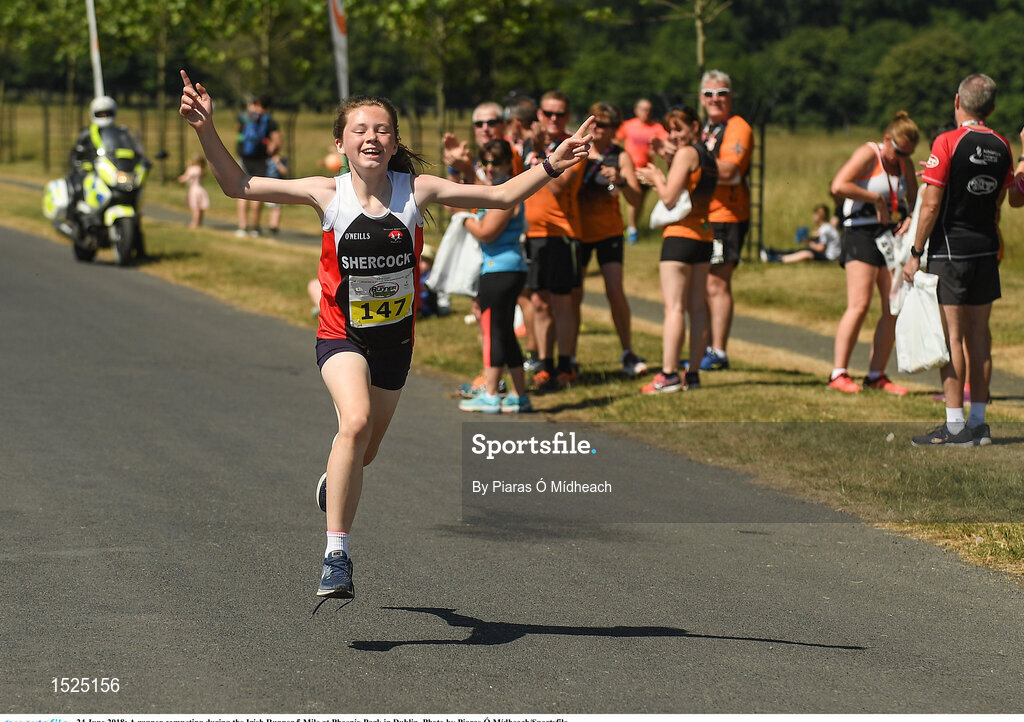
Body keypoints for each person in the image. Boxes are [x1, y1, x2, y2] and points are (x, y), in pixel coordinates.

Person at [178, 70, 593, 599]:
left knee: (364, 450)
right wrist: (206, 128)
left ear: (394, 141)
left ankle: (337, 479)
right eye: (359, 129)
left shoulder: (417, 190)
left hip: (395, 345)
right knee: (353, 421)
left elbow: (503, 196)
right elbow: (238, 185)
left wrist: (553, 162)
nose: (371, 137)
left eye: (382, 129)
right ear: (340, 142)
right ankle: (336, 556)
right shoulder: (325, 192)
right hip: (341, 336)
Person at [904, 74, 1015, 446]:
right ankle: (979, 424)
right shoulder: (1002, 144)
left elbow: (932, 203)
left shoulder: (947, 141)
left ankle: (954, 427)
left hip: (949, 251)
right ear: (992, 109)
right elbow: (996, 199)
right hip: (986, 248)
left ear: (957, 102)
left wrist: (915, 253)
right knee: (980, 336)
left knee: (952, 337)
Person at [829, 111, 919, 396]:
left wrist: (909, 218)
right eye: (899, 151)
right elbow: (838, 186)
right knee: (859, 303)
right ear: (887, 139)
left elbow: (914, 197)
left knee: (894, 306)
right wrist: (875, 198)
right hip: (860, 233)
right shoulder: (870, 154)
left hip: (889, 237)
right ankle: (838, 373)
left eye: (908, 153)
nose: (901, 157)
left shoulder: (903, 162)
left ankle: (876, 374)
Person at [635, 106, 718, 393]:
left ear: (695, 126)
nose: (674, 135)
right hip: (704, 235)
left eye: (679, 129)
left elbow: (670, 197)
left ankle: (669, 374)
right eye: (670, 130)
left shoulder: (686, 154)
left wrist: (656, 178)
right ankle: (692, 374)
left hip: (680, 236)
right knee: (697, 309)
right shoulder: (707, 154)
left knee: (673, 307)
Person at [458, 140, 533, 414]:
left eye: (496, 163)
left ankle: (490, 394)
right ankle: (520, 395)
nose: (490, 169)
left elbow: (487, 232)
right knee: (505, 333)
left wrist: (463, 217)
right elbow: (478, 187)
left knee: (492, 332)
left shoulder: (508, 194)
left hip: (502, 268)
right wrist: (463, 168)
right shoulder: (500, 189)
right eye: (485, 163)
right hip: (502, 268)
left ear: (508, 164)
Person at [575, 102, 648, 377]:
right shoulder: (576, 149)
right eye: (593, 121)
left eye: (603, 124)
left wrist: (621, 181)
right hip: (578, 231)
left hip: (609, 232)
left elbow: (636, 199)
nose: (596, 127)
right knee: (573, 295)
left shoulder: (620, 156)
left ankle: (628, 351)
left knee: (615, 291)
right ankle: (568, 355)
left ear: (614, 129)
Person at [523, 90, 585, 391]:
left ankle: (567, 363)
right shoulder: (527, 144)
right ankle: (544, 364)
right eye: (547, 113)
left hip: (562, 233)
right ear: (539, 115)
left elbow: (561, 187)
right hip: (532, 232)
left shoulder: (574, 144)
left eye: (559, 114)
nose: (553, 119)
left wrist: (545, 157)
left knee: (563, 302)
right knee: (539, 302)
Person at [699, 70, 754, 372]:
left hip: (728, 215)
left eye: (721, 93)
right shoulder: (706, 129)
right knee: (702, 285)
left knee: (716, 283)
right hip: (704, 215)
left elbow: (731, 171)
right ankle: (703, 347)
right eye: (709, 94)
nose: (715, 99)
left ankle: (718, 351)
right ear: (701, 99)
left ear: (731, 97)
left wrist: (692, 163)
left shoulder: (737, 127)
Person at [615, 98, 668, 243]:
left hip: (646, 170)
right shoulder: (628, 125)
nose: (647, 112)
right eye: (644, 109)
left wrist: (657, 148)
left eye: (649, 109)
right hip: (631, 169)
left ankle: (634, 227)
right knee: (634, 199)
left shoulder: (656, 127)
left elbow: (666, 142)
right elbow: (615, 141)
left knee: (640, 202)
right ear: (636, 110)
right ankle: (632, 230)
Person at [235, 94, 281, 237]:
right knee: (257, 194)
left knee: (241, 192)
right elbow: (278, 142)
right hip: (261, 160)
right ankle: (255, 227)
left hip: (244, 158)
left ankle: (242, 227)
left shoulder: (246, 117)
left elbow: (238, 131)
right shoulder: (269, 121)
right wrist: (272, 151)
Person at [761, 204, 841, 263]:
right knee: (804, 250)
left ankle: (775, 258)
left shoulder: (824, 229)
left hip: (830, 257)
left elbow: (821, 248)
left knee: (806, 252)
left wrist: (809, 243)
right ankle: (774, 253)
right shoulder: (827, 227)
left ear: (818, 216)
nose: (813, 217)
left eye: (814, 214)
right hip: (832, 255)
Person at [177, 154, 211, 229]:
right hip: (200, 189)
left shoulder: (194, 169)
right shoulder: (201, 169)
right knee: (201, 209)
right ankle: (200, 222)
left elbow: (186, 176)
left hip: (194, 190)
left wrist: (180, 179)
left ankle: (195, 223)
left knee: (195, 209)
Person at [264, 153, 290, 233]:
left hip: (276, 186)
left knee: (276, 207)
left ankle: (273, 226)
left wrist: (278, 163)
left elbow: (284, 172)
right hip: (265, 185)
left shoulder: (282, 159)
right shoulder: (264, 159)